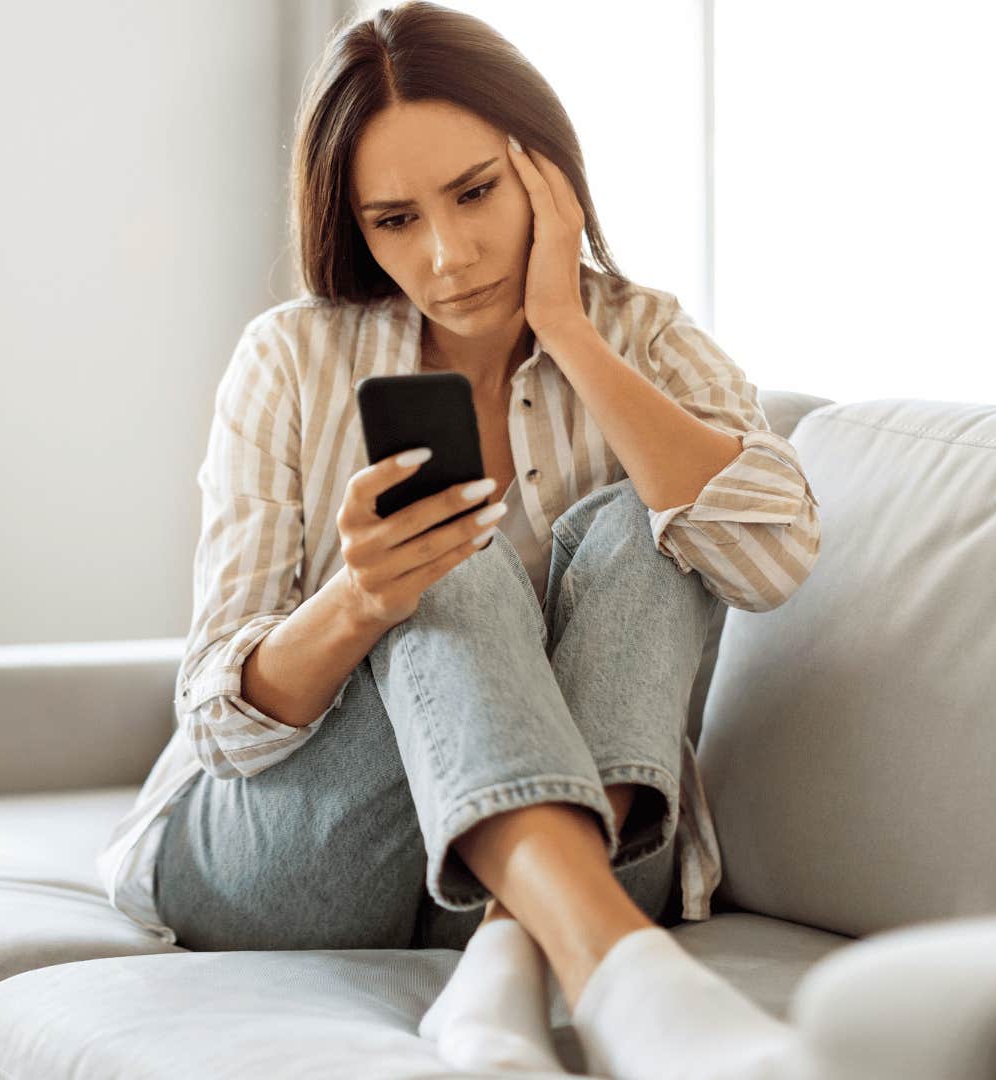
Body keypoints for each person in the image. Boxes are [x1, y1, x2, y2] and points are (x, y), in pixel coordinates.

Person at [95, 4, 822, 1077]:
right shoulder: (289, 358)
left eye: (476, 193)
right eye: (395, 221)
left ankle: (508, 958)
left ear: (548, 174)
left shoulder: (643, 335)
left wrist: (570, 330)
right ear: (355, 227)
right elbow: (221, 726)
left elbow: (770, 557)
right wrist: (358, 601)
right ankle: (628, 978)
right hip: (299, 850)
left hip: (593, 841)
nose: (445, 255)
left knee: (657, 526)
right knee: (447, 550)